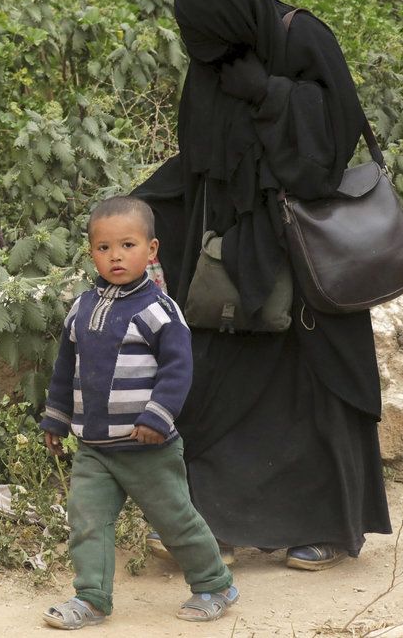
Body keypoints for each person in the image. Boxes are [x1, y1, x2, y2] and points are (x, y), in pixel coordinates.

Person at [133, 0, 391, 570]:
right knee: (213, 382)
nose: (210, 55)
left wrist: (271, 94)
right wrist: (139, 212)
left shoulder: (304, 39)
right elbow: (200, 156)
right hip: (230, 256)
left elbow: (333, 144)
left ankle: (324, 527)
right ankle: (209, 526)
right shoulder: (212, 60)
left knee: (316, 385)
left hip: (303, 255)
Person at [40, 196, 239, 629]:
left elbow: (177, 370)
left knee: (175, 521)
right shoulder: (81, 308)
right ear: (91, 252)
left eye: (127, 245)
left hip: (146, 446)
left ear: (151, 251)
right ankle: (91, 598)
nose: (115, 256)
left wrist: (155, 417)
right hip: (94, 446)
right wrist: (56, 418)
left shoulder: (159, 311)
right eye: (104, 247)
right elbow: (64, 369)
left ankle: (215, 584)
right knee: (87, 522)